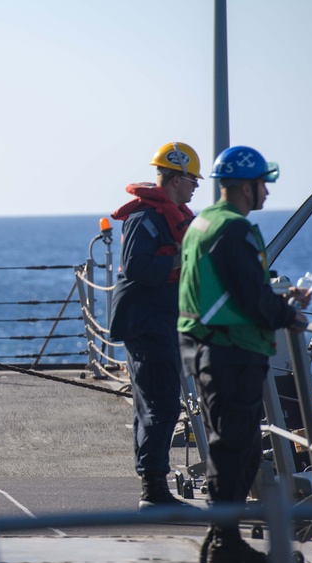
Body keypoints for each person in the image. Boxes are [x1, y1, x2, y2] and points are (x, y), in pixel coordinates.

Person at [178, 146, 311, 563]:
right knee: (235, 449)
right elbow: (252, 297)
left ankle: (221, 538)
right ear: (245, 187)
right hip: (230, 351)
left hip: (205, 345)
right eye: (262, 186)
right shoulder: (235, 230)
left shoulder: (202, 223)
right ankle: (225, 544)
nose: (267, 194)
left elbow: (224, 288)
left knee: (236, 446)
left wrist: (279, 299)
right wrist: (290, 315)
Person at [110, 142, 202, 510]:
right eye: (192, 179)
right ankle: (154, 491)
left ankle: (154, 485)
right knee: (160, 404)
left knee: (155, 402)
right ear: (177, 179)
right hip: (146, 322)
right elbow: (136, 267)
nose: (196, 186)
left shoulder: (173, 216)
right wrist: (183, 258)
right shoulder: (145, 219)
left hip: (163, 320)